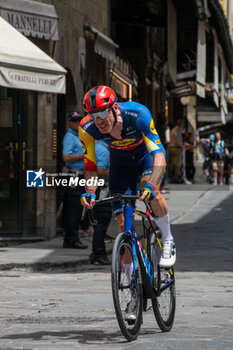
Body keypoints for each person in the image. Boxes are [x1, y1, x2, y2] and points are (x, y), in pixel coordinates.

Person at [62, 112, 88, 249]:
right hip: (74, 176)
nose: (77, 123)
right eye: (74, 121)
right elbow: (66, 157)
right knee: (73, 208)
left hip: (79, 176)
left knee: (75, 208)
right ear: (69, 122)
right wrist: (83, 157)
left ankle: (71, 238)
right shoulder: (69, 137)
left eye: (79, 120)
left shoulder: (78, 136)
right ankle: (72, 238)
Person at [89, 140, 112, 265]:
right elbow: (101, 170)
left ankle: (96, 252)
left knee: (98, 221)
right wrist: (115, 175)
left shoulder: (95, 148)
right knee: (102, 220)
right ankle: (99, 252)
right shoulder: (103, 151)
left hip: (96, 187)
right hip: (101, 188)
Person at [156, 112, 170, 192]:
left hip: (155, 146)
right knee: (163, 166)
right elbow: (168, 140)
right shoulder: (166, 127)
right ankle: (162, 187)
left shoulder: (155, 127)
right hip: (163, 148)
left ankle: (155, 185)